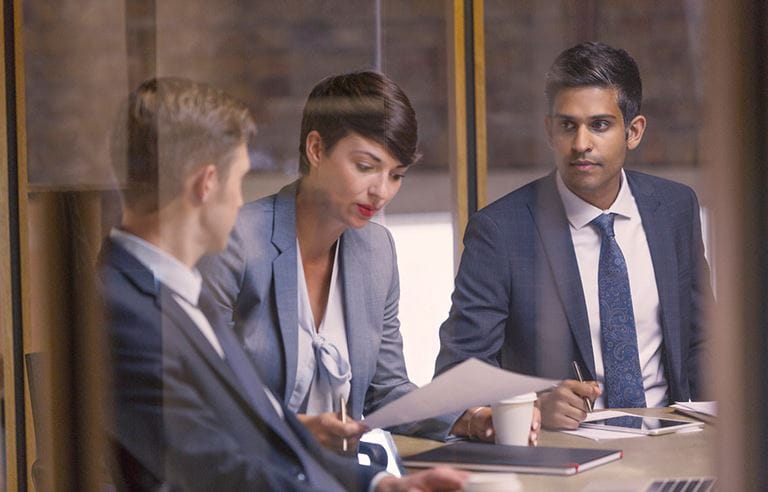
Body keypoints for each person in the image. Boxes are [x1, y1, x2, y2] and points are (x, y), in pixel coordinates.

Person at [100, 76, 468, 491]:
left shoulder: (176, 292)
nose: (241, 201)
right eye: (239, 181)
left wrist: (378, 484)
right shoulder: (126, 308)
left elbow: (255, 433)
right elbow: (220, 465)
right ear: (206, 184)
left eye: (396, 174)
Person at [198, 70, 540, 449]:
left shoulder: (376, 251)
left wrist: (469, 418)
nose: (381, 192)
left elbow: (386, 391)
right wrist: (295, 432)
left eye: (396, 175)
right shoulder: (235, 241)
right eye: (365, 167)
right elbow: (203, 400)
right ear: (315, 150)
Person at [435, 42, 713, 432]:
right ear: (549, 131)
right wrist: (531, 406)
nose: (581, 144)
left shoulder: (675, 209)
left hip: (675, 437)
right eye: (568, 125)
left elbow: (702, 342)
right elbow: (457, 375)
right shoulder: (500, 230)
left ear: (633, 132)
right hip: (566, 451)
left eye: (600, 125)